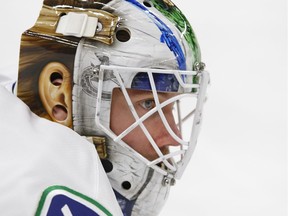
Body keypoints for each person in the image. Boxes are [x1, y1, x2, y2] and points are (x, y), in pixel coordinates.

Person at [0, 0, 209, 215]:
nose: (173, 136)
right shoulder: (58, 182)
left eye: (170, 107)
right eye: (149, 103)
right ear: (60, 97)